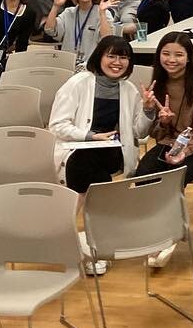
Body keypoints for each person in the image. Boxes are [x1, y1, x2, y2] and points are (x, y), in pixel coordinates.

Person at [48, 36, 150, 205]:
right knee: (85, 166)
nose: (117, 62)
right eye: (111, 56)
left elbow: (139, 132)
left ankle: (68, 224)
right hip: (78, 147)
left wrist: (148, 110)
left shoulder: (129, 89)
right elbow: (57, 126)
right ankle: (99, 217)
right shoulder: (77, 84)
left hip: (113, 150)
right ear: (99, 57)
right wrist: (90, 136)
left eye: (123, 58)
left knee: (87, 169)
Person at [135, 30, 193, 183]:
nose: (171, 60)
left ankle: (171, 208)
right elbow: (156, 134)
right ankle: (151, 207)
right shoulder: (157, 84)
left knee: (172, 177)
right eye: (166, 54)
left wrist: (183, 152)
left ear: (189, 58)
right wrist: (163, 123)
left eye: (179, 55)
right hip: (171, 142)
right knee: (143, 173)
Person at [43, 0, 120, 70]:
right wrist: (55, 6)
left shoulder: (103, 12)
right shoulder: (68, 12)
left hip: (93, 66)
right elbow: (49, 30)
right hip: (68, 65)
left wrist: (102, 13)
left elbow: (107, 40)